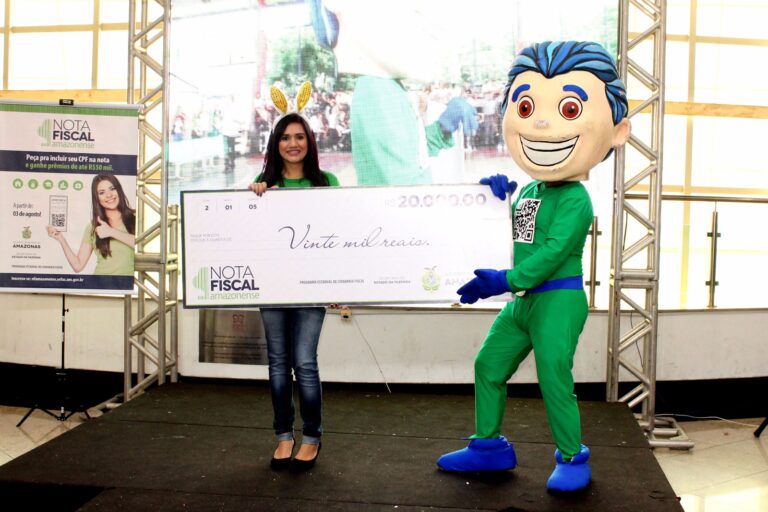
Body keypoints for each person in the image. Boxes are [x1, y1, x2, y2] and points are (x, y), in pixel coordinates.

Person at [436, 41, 631, 493]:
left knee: (553, 378)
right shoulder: (529, 191)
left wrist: (504, 281)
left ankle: (572, 456)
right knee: (488, 364)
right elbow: (519, 238)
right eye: (527, 107)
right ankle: (489, 446)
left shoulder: (577, 200)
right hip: (523, 302)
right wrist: (492, 200)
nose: (542, 123)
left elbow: (551, 254)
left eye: (567, 109)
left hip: (557, 300)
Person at [249, 85, 340, 472]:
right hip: (272, 287)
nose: (292, 143)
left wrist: (341, 284)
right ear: (276, 143)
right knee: (277, 364)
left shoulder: (327, 183)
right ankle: (283, 436)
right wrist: (253, 196)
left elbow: (342, 236)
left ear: (310, 142)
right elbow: (248, 234)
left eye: (299, 136)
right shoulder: (263, 183)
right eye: (285, 137)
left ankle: (312, 438)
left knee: (304, 363)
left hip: (311, 289)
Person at [47, 173, 136, 276]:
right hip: (99, 283)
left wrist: (111, 232)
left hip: (127, 284)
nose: (109, 195)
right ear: (97, 198)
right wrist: (61, 239)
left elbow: (139, 246)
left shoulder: (135, 217)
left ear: (119, 190)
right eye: (102, 192)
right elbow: (78, 266)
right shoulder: (93, 228)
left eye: (112, 189)